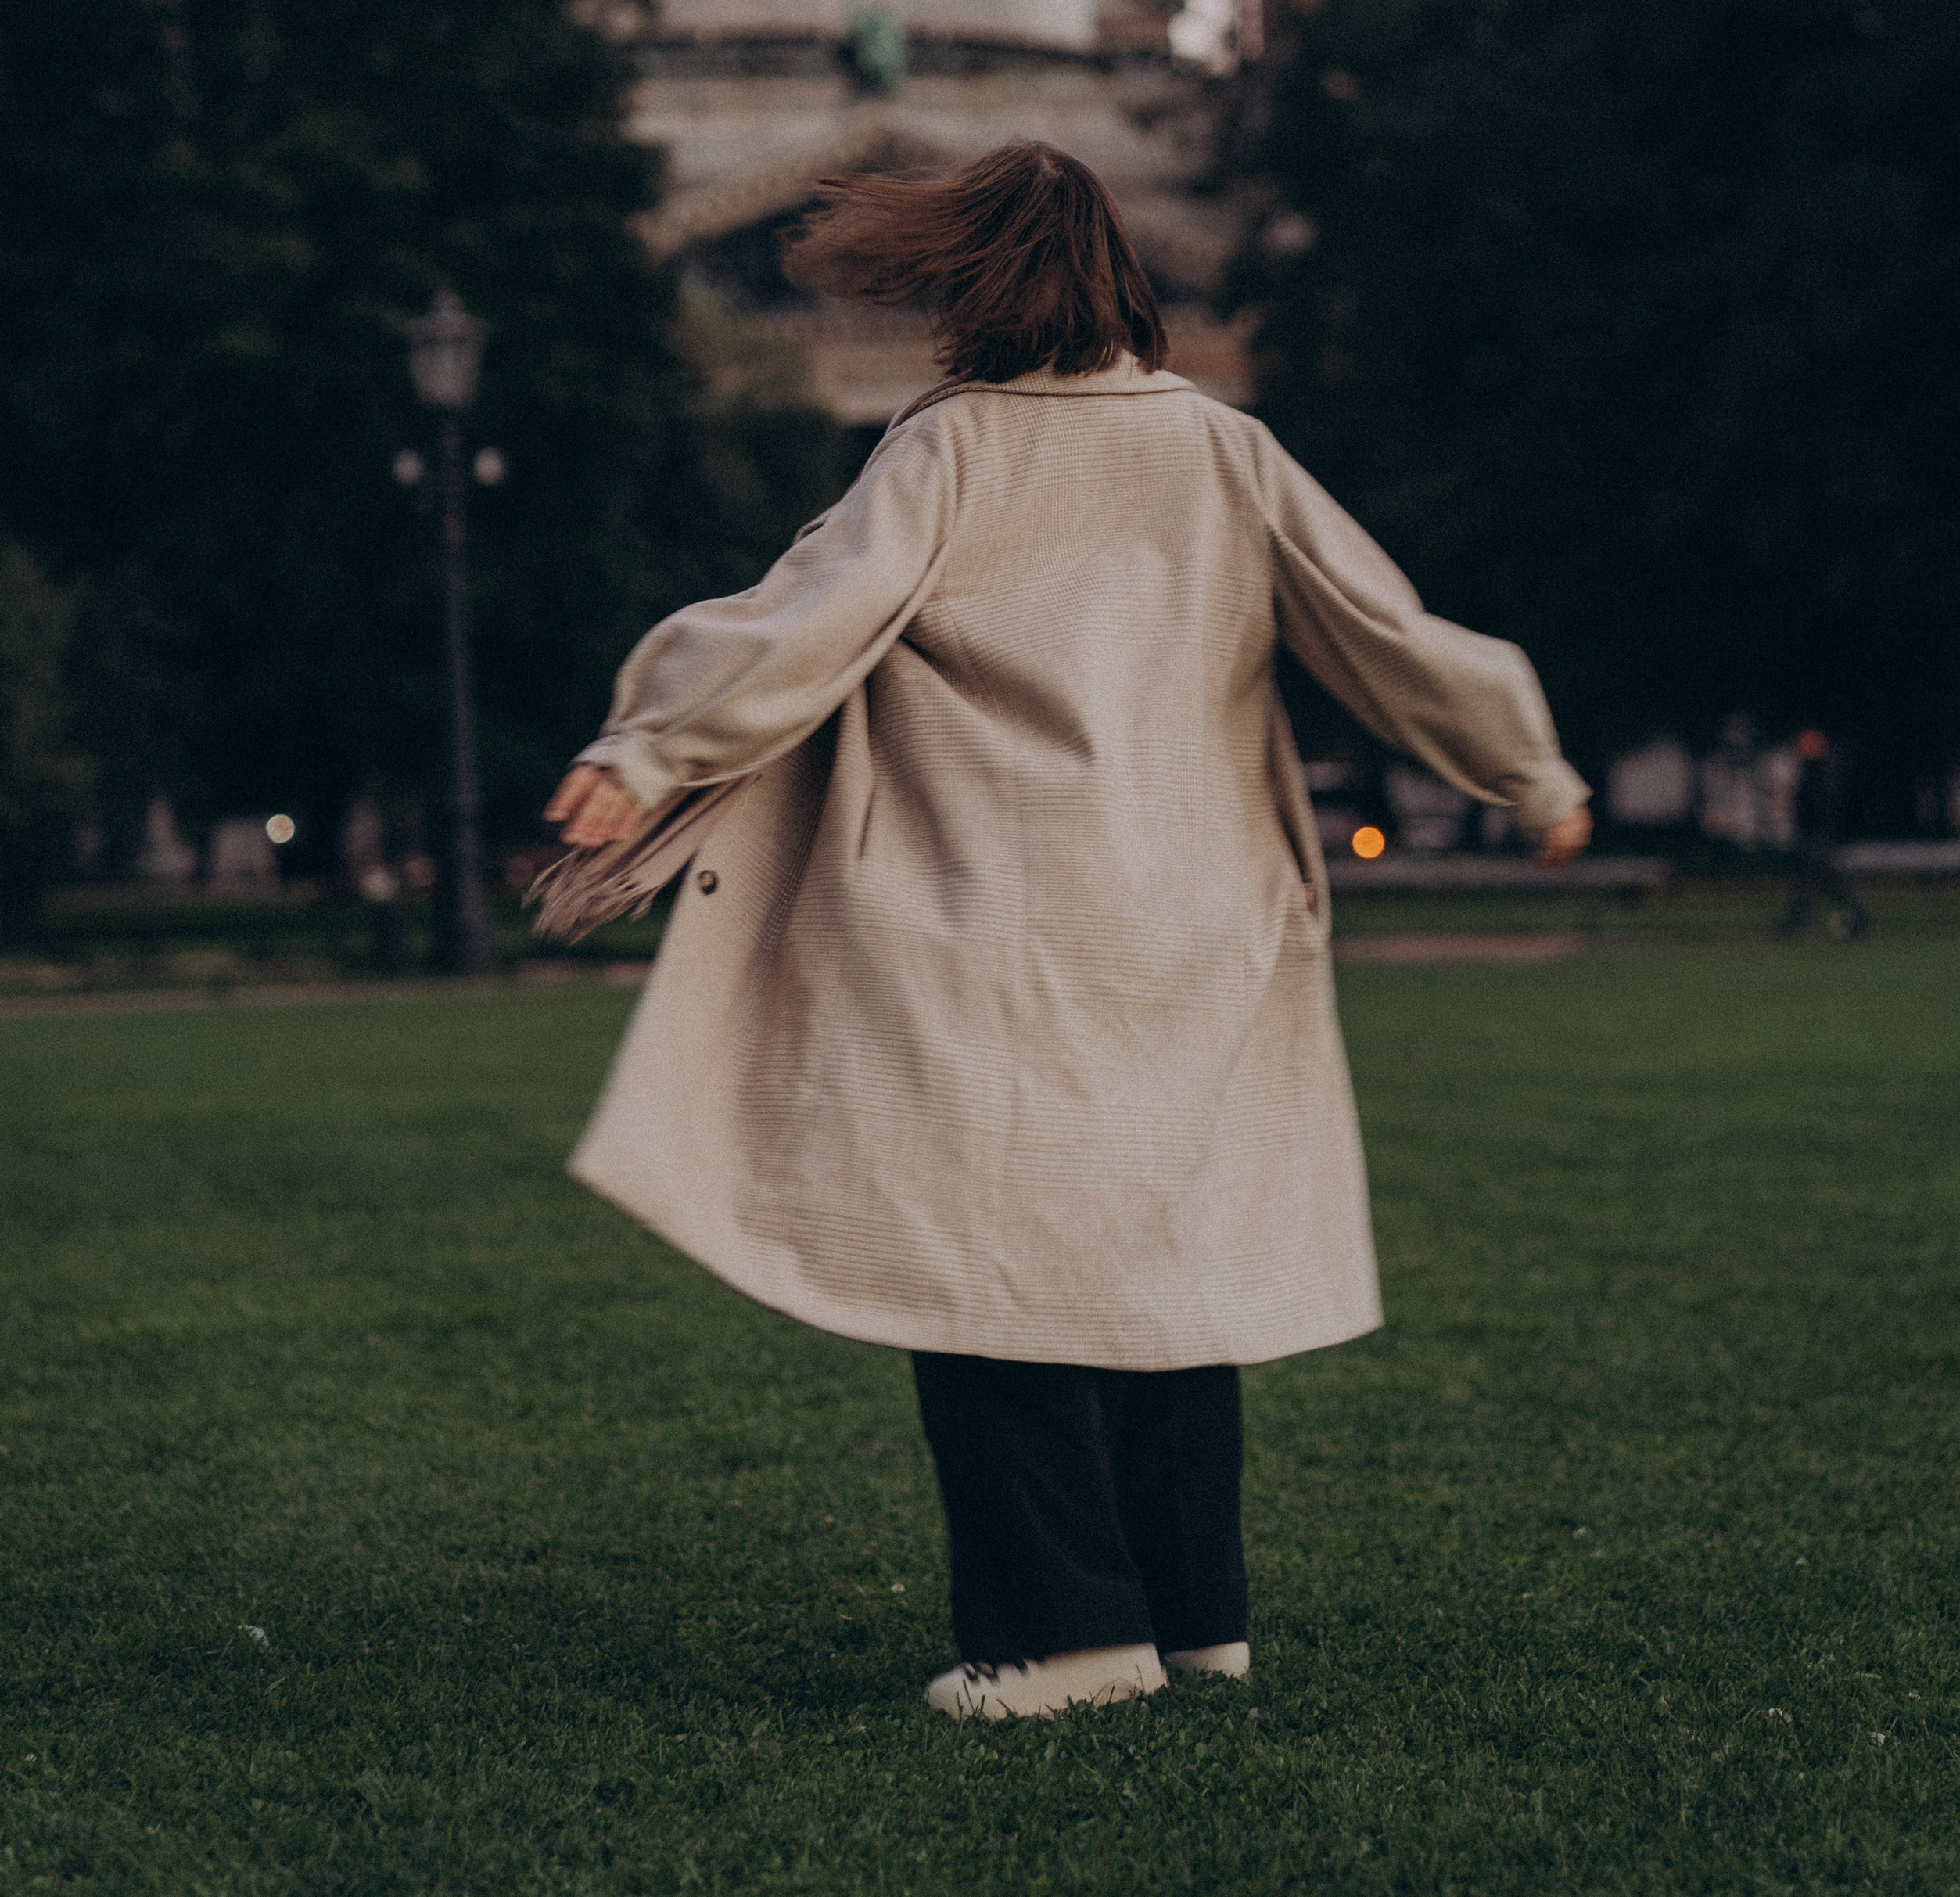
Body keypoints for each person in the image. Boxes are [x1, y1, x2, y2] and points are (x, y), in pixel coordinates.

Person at [544, 141, 1591, 1720]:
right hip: (1188, 925)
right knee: (1162, 1264)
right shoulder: (1222, 452)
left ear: (966, 284)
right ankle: (1194, 1618)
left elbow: (797, 621)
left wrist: (640, 752)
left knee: (979, 1268)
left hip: (984, 921)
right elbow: (1386, 629)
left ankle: (1061, 1641)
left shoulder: (946, 455)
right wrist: (1526, 771)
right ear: (1121, 277)